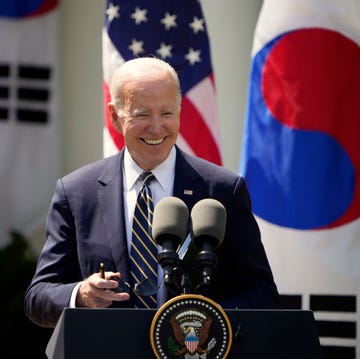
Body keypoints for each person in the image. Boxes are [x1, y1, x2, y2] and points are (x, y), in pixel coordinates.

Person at [24, 57, 278, 328]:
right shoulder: (75, 193)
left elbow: (262, 293)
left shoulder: (223, 191)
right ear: (114, 116)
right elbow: (38, 298)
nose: (156, 127)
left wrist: (206, 319)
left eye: (167, 113)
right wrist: (82, 295)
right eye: (142, 114)